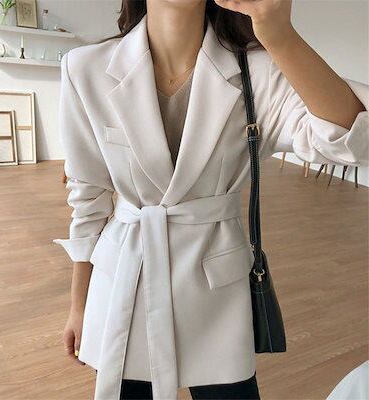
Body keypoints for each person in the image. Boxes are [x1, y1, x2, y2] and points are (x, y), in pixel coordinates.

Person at [52, 1, 369, 399]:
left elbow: (353, 142)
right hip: (124, 284)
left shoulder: (259, 70)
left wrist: (281, 37)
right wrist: (79, 305)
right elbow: (89, 197)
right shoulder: (86, 67)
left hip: (217, 290)